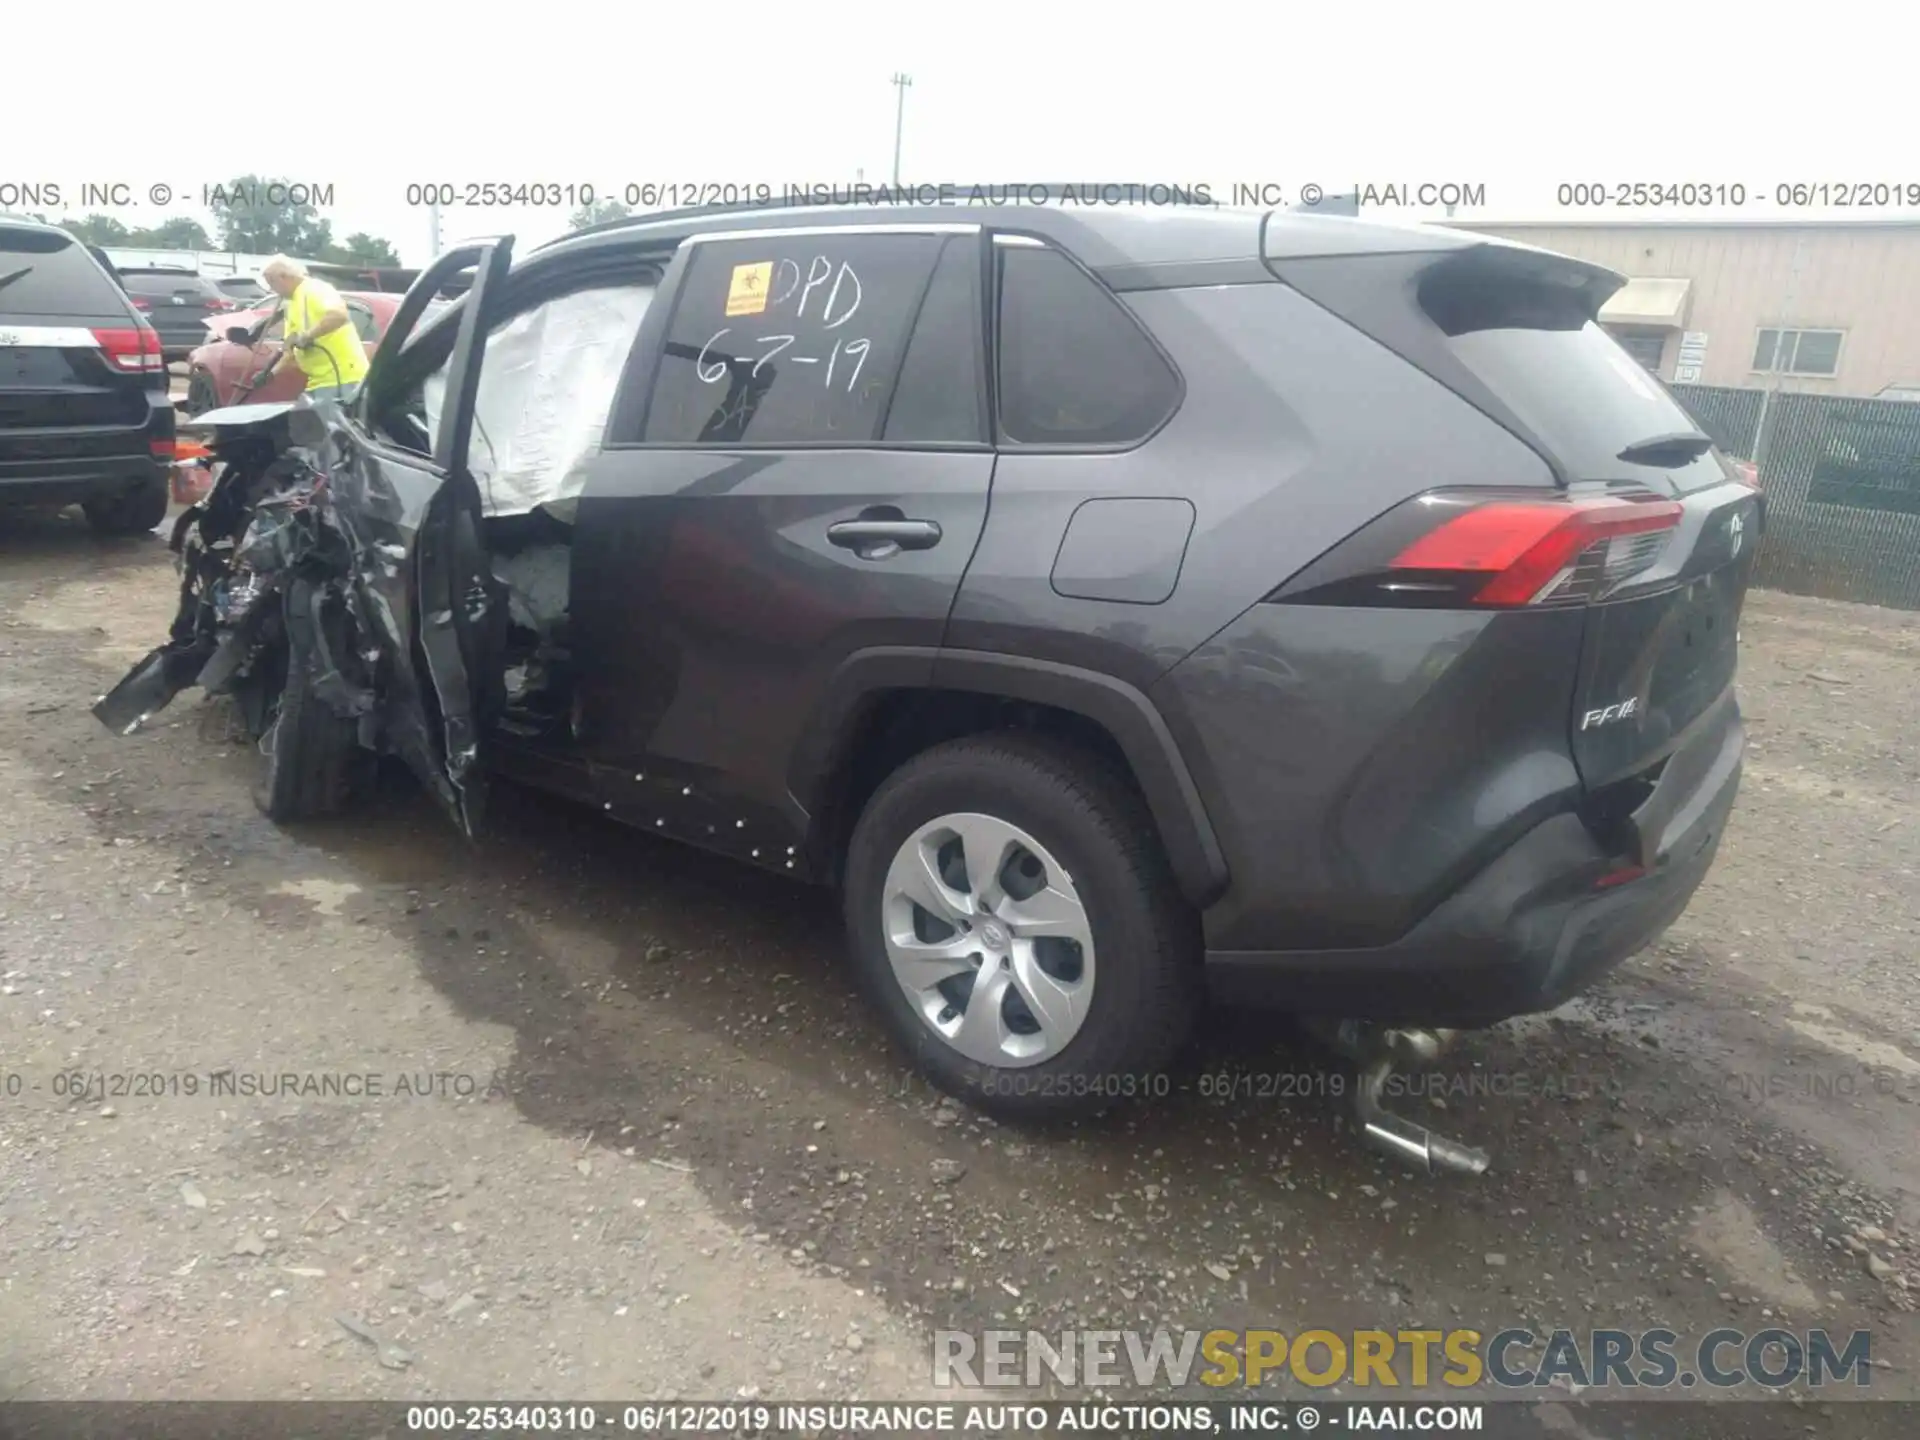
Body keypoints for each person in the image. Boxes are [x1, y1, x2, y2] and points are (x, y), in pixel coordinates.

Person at [254, 255, 369, 403]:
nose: (271, 289)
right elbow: (290, 351)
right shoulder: (292, 304)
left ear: (284, 276)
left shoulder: (315, 289)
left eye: (272, 282)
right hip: (319, 381)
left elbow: (339, 315)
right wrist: (270, 374)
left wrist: (308, 336)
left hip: (342, 377)